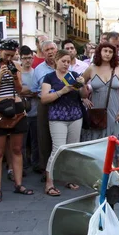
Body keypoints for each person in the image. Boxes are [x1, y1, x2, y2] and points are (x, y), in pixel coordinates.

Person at [0, 39, 32, 203]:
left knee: (17, 149)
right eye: (7, 55)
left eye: (12, 55)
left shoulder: (16, 66)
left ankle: (19, 184)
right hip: (0, 111)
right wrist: (0, 77)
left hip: (17, 109)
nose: (9, 58)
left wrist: (14, 76)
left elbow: (19, 89)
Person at [41, 50, 88, 196]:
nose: (66, 64)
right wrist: (62, 91)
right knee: (58, 149)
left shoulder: (73, 76)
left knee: (72, 150)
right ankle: (49, 183)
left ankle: (69, 178)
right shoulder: (49, 77)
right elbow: (44, 98)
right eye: (63, 61)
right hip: (57, 117)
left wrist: (83, 85)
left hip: (75, 116)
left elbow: (84, 95)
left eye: (68, 61)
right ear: (56, 60)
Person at [81, 42, 119, 145]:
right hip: (97, 109)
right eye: (105, 51)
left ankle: (115, 161)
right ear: (100, 52)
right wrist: (84, 99)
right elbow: (79, 84)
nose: (107, 54)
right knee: (97, 139)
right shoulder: (91, 68)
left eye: (110, 52)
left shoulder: (118, 69)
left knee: (117, 139)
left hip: (115, 108)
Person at [33, 40, 57, 179]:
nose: (50, 52)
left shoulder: (64, 64)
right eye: (47, 50)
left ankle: (61, 169)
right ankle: (46, 169)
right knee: (44, 136)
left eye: (52, 49)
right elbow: (34, 88)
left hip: (61, 103)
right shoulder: (39, 69)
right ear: (43, 52)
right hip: (45, 104)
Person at [19, 46, 39, 172]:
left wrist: (27, 91)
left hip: (36, 111)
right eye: (25, 58)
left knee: (35, 140)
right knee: (22, 142)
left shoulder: (36, 72)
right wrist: (30, 91)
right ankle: (22, 165)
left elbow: (38, 90)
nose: (28, 61)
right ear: (20, 59)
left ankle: (36, 163)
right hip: (22, 112)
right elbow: (18, 90)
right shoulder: (18, 73)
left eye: (30, 58)